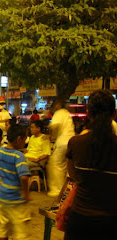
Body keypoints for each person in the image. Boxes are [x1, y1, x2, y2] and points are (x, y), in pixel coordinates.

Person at [65, 90, 117, 239]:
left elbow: (74, 176)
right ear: (114, 114)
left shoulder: (75, 143)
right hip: (111, 221)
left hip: (80, 220)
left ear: (88, 113)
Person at [0, 124, 31, 240]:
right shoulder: (18, 156)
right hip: (15, 199)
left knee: (4, 228)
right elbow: (24, 177)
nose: (25, 142)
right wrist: (26, 193)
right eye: (25, 139)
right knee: (21, 231)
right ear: (19, 139)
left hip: (2, 197)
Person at [46, 100, 75, 197]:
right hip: (71, 141)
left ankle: (57, 190)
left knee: (55, 165)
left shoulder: (59, 113)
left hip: (63, 142)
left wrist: (50, 133)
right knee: (66, 167)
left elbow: (55, 125)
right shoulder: (66, 113)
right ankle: (66, 189)